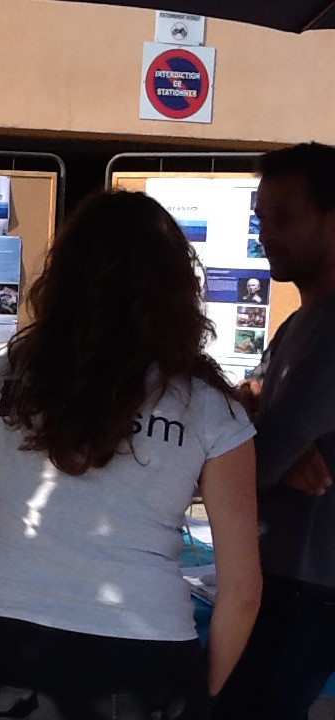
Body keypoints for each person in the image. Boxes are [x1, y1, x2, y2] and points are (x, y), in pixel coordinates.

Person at [0, 190, 262, 720]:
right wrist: (197, 695)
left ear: (64, 276)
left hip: (4, 642)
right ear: (175, 288)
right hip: (145, 656)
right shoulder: (209, 407)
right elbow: (244, 591)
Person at [216, 142, 335, 720]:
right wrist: (262, 421)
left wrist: (266, 436)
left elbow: (247, 464)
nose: (266, 233)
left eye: (284, 218)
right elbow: (242, 411)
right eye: (261, 218)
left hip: (308, 592)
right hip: (281, 581)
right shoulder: (297, 323)